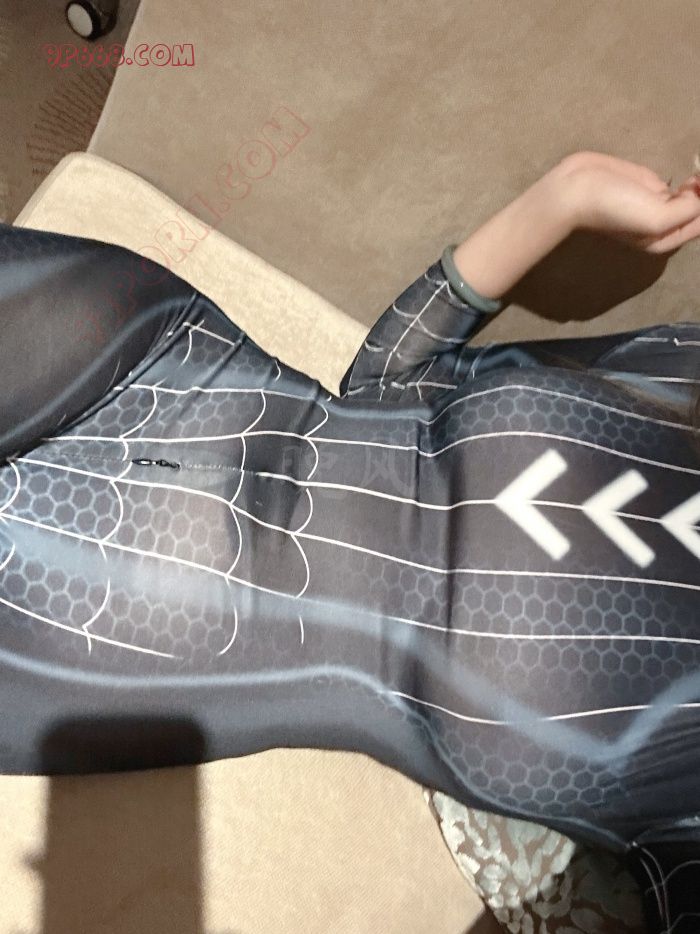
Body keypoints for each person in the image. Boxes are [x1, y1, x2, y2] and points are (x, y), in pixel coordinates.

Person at [0, 150, 699, 933]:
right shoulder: (686, 372)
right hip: (160, 362)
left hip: (129, 626)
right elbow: (394, 388)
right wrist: (563, 198)